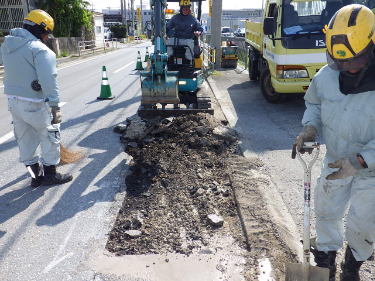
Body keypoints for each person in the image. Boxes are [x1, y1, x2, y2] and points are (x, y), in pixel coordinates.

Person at [293, 4, 375, 280]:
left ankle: (352, 266)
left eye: (351, 61)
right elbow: (314, 104)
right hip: (335, 159)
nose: (344, 68)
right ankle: (325, 261)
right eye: (338, 61)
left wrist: (361, 161)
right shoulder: (326, 77)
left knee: (363, 223)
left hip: (371, 169)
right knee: (326, 211)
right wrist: (310, 129)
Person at [0, 9, 73, 187]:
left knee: (25, 140)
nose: (47, 38)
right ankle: (50, 175)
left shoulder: (6, 45)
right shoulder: (41, 51)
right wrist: (55, 107)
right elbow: (49, 81)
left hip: (14, 102)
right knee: (50, 136)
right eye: (46, 33)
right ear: (40, 30)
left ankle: (35, 177)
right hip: (35, 103)